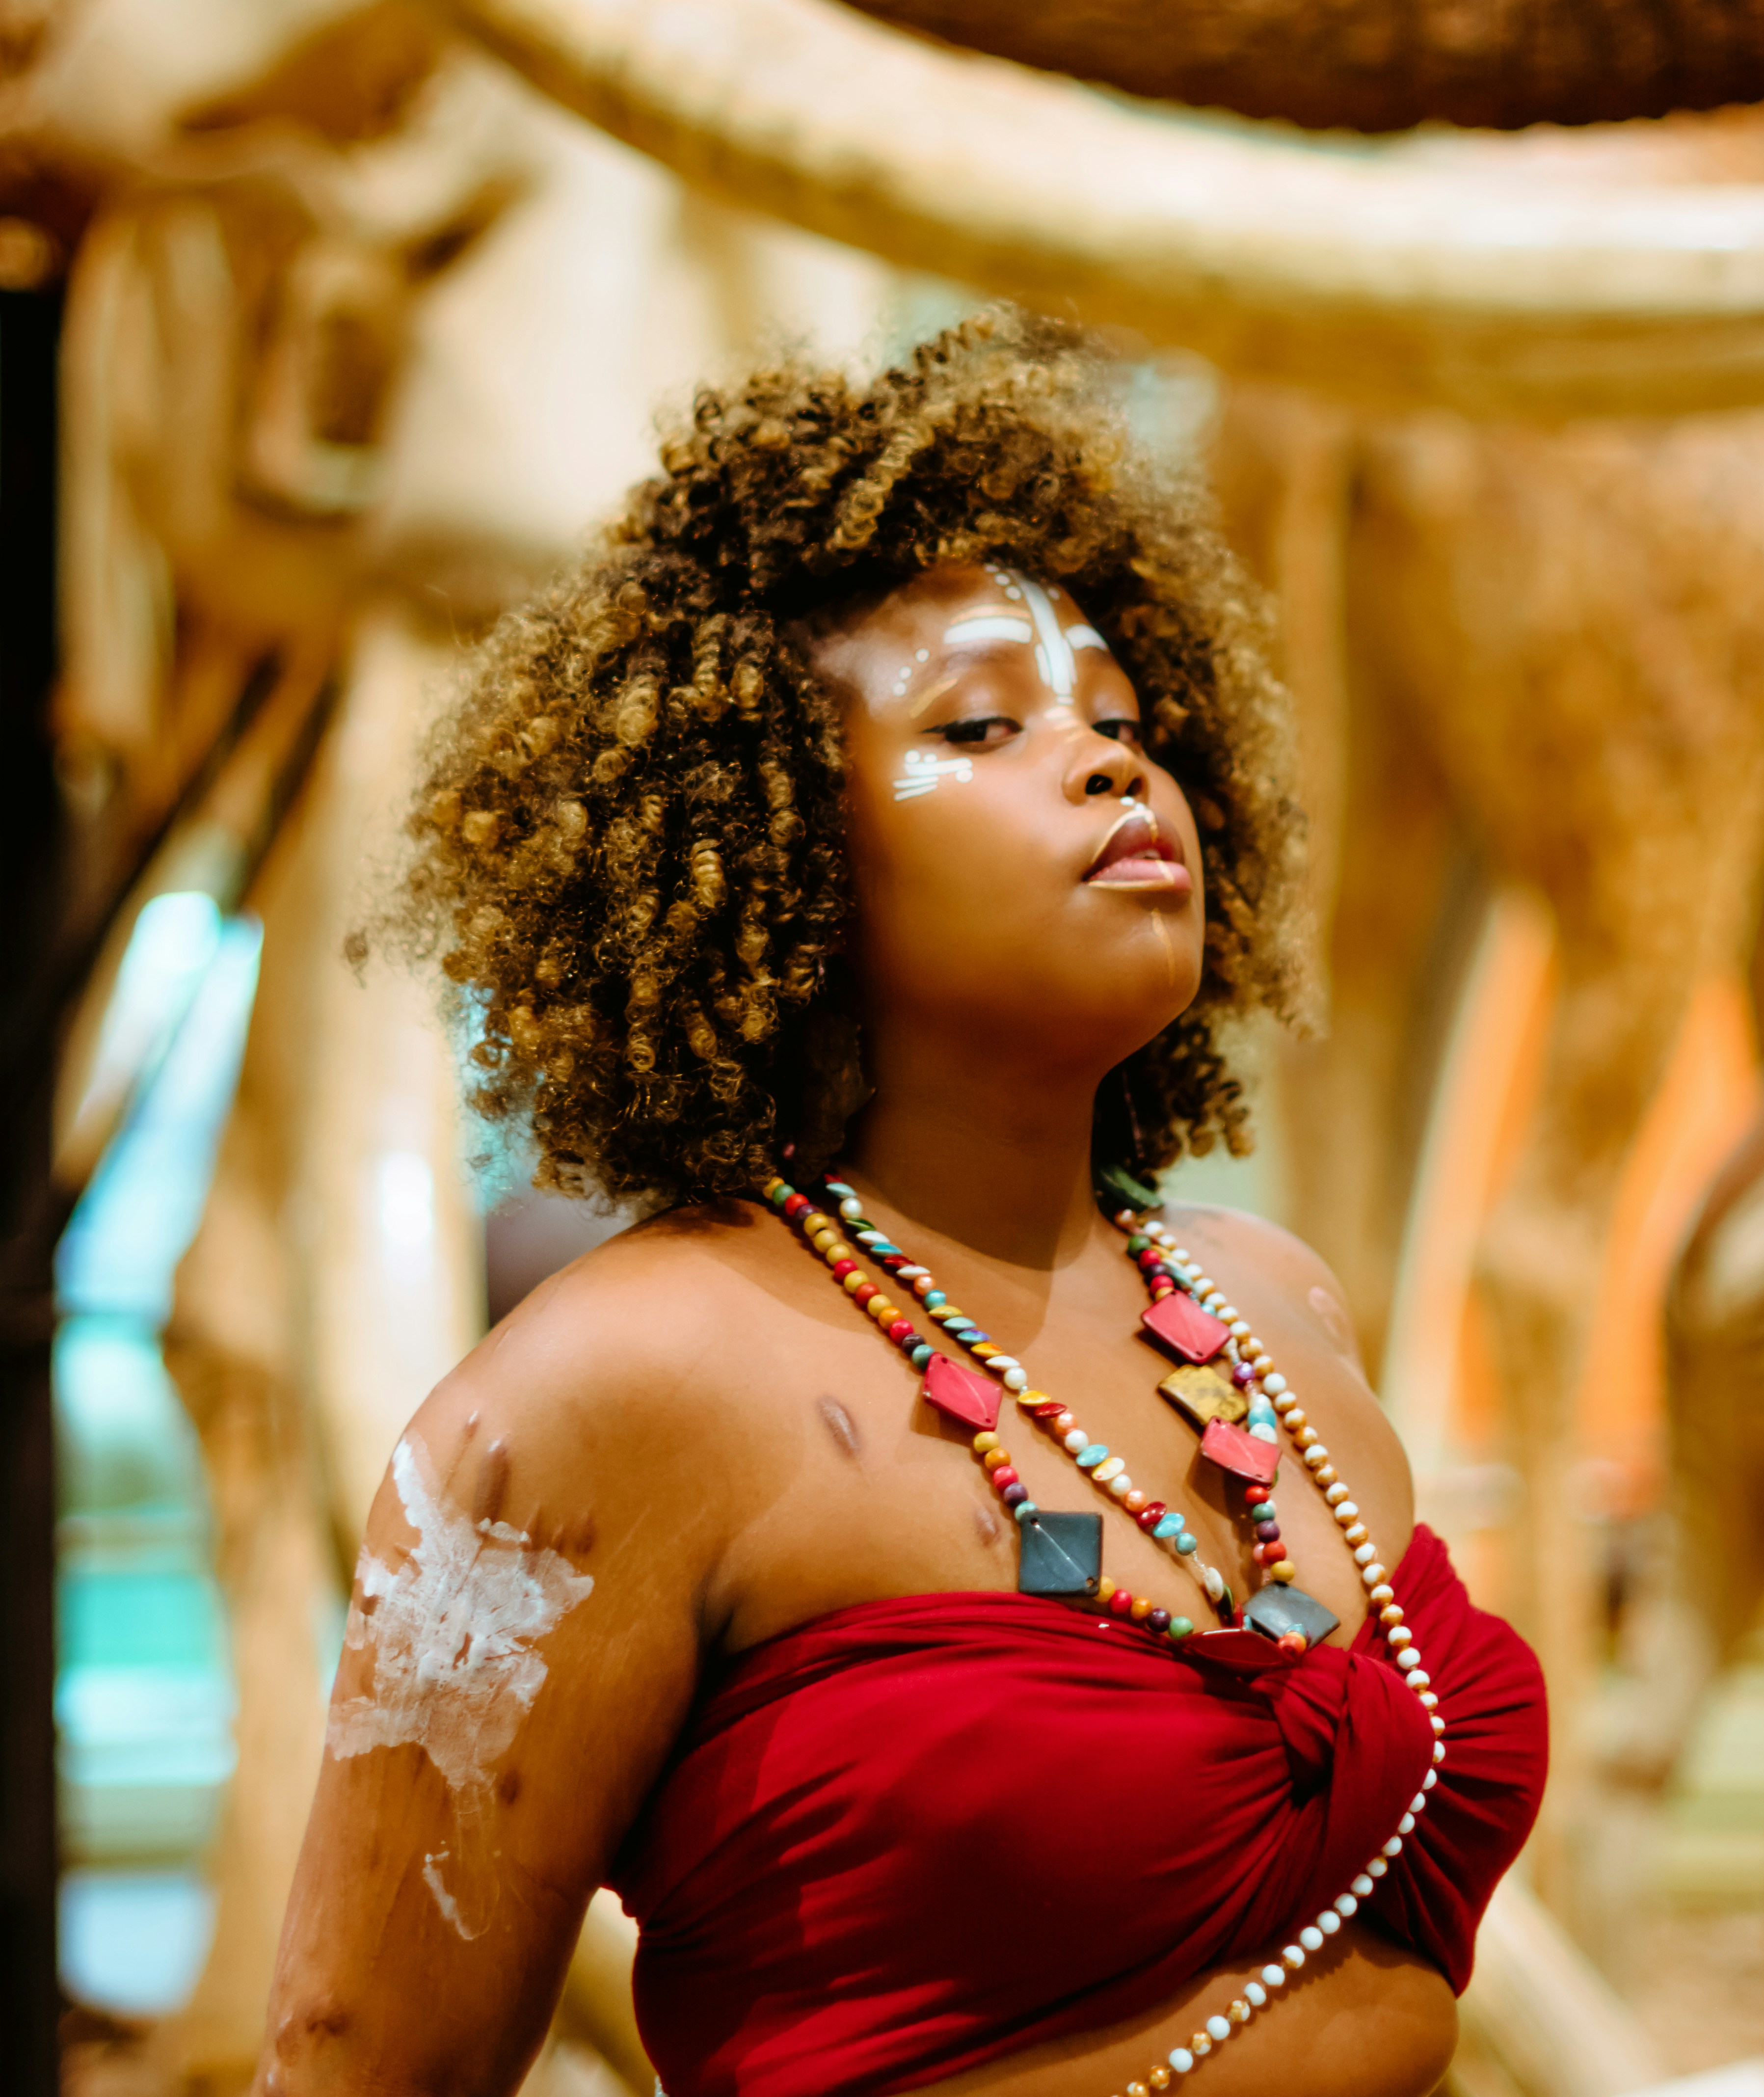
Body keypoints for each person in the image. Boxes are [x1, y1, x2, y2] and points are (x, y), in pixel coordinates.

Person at [257, 314, 1545, 2097]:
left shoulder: (1273, 1306)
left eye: (1125, 720)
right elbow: (357, 2065)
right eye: (984, 725)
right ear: (771, 829)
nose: (1113, 769)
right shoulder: (616, 1386)